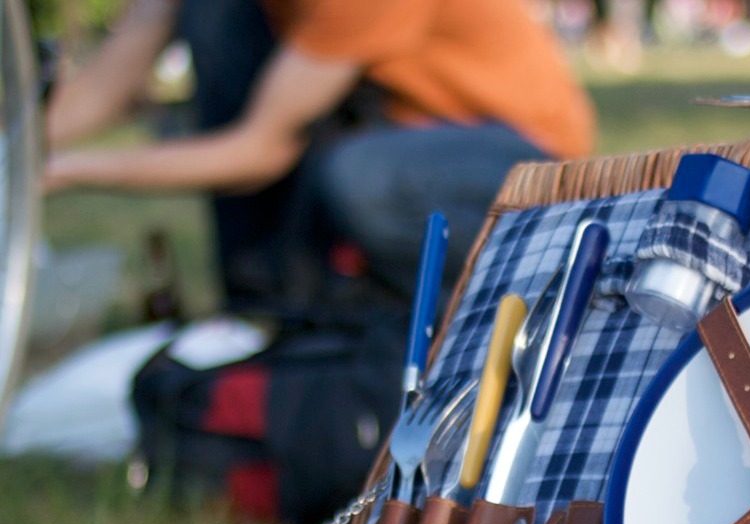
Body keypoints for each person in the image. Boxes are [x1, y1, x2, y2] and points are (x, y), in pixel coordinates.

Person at [44, 0, 597, 315]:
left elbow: (259, 148)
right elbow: (98, 90)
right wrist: (21, 152)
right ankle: (269, 311)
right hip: (400, 132)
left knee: (359, 178)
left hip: (528, 165)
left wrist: (67, 172)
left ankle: (432, 327)